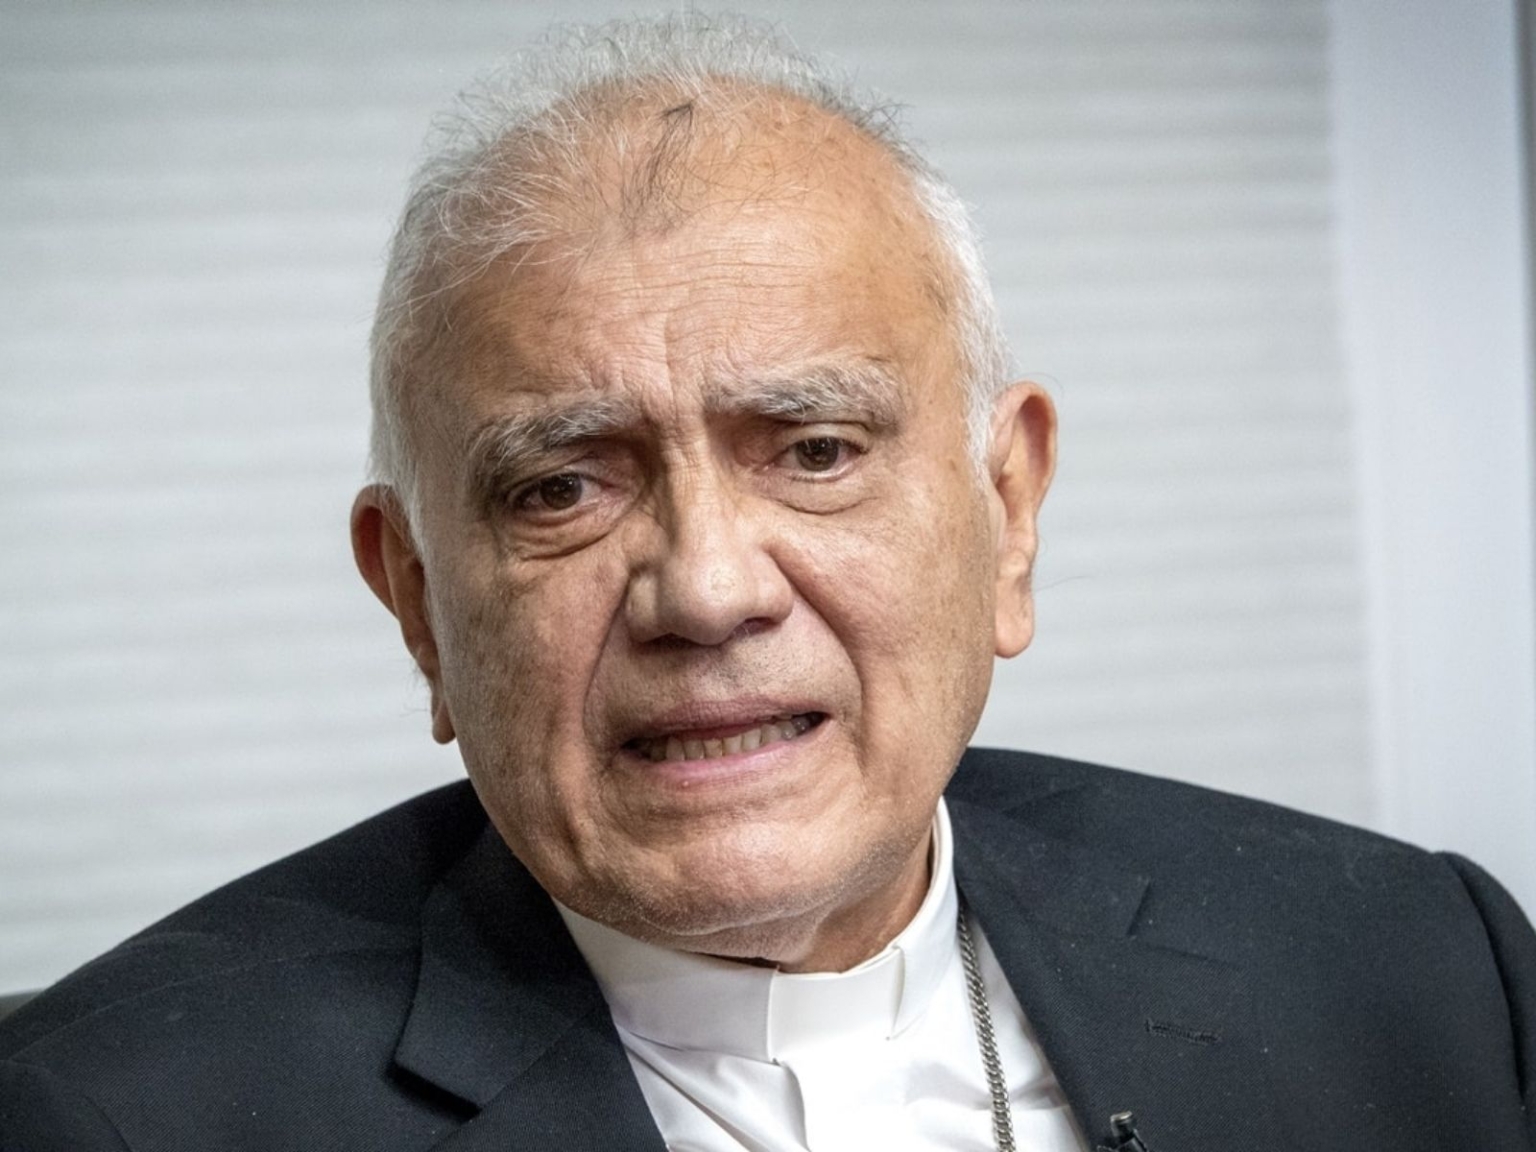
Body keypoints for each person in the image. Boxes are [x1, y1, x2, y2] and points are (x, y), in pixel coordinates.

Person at [2, 13, 1533, 1152]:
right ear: (416, 603)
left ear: (1007, 511)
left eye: (813, 450)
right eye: (562, 487)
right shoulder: (113, 1117)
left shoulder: (1425, 969)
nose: (707, 591)